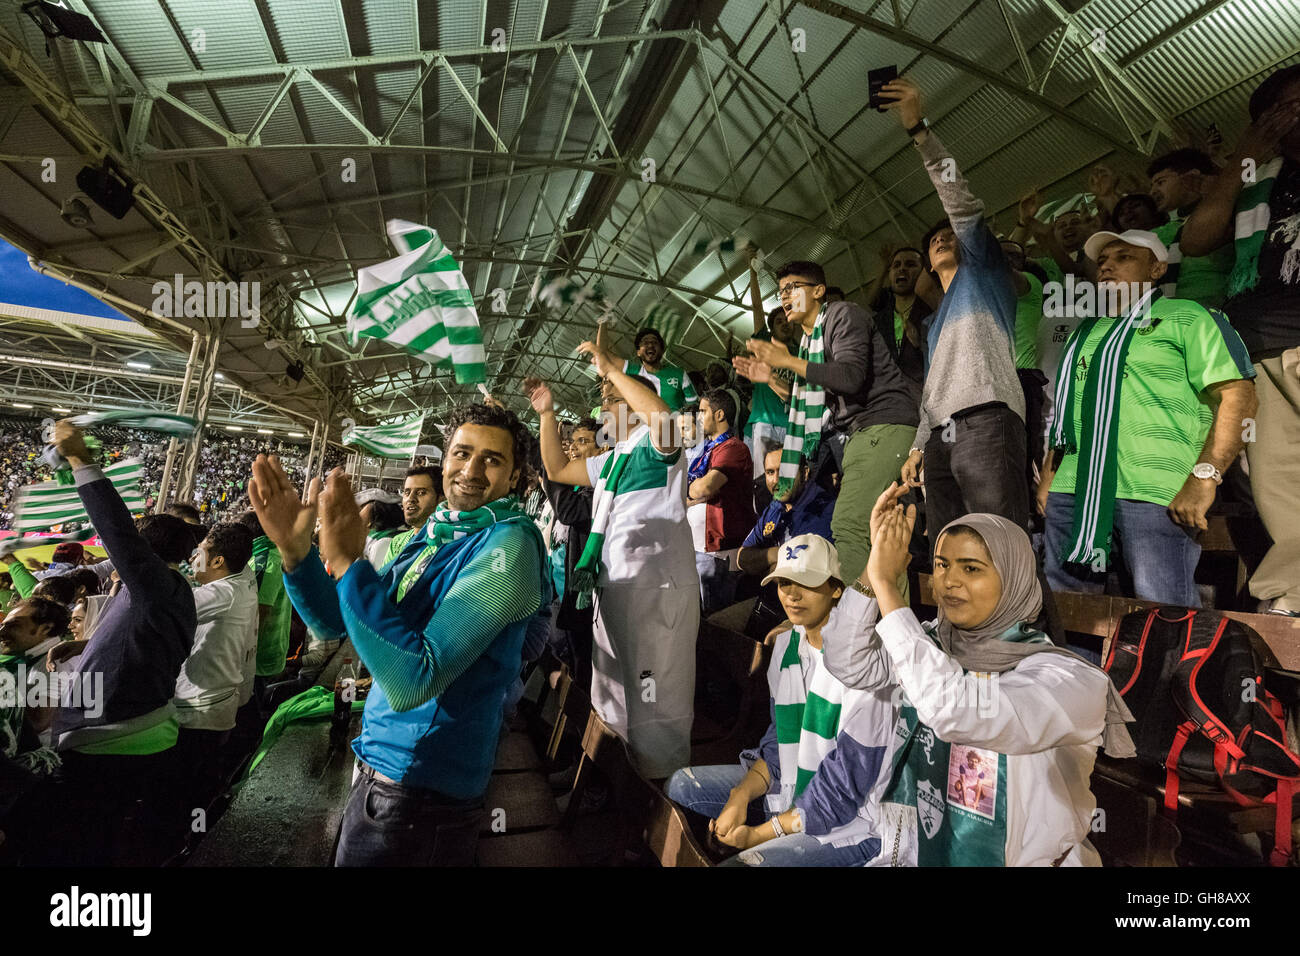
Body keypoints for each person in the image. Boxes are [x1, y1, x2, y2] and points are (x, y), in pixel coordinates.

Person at [250, 403, 548, 867]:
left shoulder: (509, 546)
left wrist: (350, 563)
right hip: (385, 773)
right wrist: (296, 553)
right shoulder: (435, 534)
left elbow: (414, 679)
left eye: (492, 460)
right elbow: (341, 621)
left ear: (515, 479)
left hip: (420, 792)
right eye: (461, 453)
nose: (470, 470)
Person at [822, 484, 1133, 866]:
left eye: (971, 568)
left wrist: (890, 588)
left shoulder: (1066, 679)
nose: (949, 581)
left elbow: (959, 708)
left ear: (1014, 575)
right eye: (941, 565)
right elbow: (847, 661)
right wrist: (874, 570)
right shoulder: (933, 649)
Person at [1038, 230, 1257, 624]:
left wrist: (1205, 477)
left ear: (1157, 268)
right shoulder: (1083, 333)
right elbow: (1068, 415)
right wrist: (1049, 478)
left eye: (1123, 257)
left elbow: (1239, 396)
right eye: (1102, 259)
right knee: (1069, 615)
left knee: (1165, 616)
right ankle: (1071, 685)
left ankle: (1167, 687)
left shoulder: (1190, 316)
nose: (1106, 265)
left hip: (1156, 493)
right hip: (1074, 493)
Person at [527, 323, 699, 781]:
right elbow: (560, 468)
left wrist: (612, 368)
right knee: (616, 697)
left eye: (612, 403)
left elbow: (663, 419)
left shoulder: (661, 443)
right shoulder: (617, 455)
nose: (604, 411)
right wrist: (547, 415)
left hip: (654, 595)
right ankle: (612, 783)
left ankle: (659, 793)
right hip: (615, 590)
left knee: (653, 695)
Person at [24, 420, 198, 866]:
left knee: (85, 846)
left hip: (114, 745)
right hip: (135, 734)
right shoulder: (169, 592)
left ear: (146, 551)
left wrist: (82, 459)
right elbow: (143, 642)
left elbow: (116, 529)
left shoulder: (154, 584)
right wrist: (84, 647)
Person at [665, 534, 895, 866]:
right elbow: (776, 747)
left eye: (807, 582)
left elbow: (840, 795)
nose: (791, 594)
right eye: (783, 582)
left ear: (836, 589)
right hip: (795, 790)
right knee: (681, 788)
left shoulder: (865, 666)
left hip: (855, 822)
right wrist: (739, 796)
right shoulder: (786, 647)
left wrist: (758, 835)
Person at [886, 77, 1030, 538]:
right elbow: (931, 391)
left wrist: (919, 132)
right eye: (933, 241)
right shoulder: (931, 324)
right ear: (928, 260)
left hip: (988, 418)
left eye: (948, 234)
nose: (942, 238)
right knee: (948, 542)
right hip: (940, 437)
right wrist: (918, 446)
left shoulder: (983, 275)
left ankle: (1016, 615)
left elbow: (962, 204)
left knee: (995, 540)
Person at [1181, 64, 1300, 616]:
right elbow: (1198, 238)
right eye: (1280, 109)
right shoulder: (1258, 178)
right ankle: (1292, 599)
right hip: (1258, 346)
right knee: (1278, 485)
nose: (1292, 113)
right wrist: (1243, 156)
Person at [737, 258, 918, 585]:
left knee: (848, 526)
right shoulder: (809, 343)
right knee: (884, 536)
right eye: (780, 292)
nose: (785, 297)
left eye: (792, 288)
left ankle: (843, 625)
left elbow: (849, 377)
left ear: (819, 290)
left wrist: (788, 362)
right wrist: (775, 378)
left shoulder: (843, 315)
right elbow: (816, 402)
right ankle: (891, 621)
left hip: (883, 423)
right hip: (861, 433)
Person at [170, 521, 259, 818]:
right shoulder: (243, 578)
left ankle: (184, 844)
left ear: (219, 561)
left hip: (201, 712)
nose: (194, 559)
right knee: (199, 788)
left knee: (185, 793)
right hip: (218, 705)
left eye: (200, 553)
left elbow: (162, 607)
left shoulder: (221, 593)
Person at [543, 417, 600, 691]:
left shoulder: (598, 490)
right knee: (558, 647)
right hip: (560, 588)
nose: (574, 448)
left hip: (581, 594)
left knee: (583, 663)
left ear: (601, 450)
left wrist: (552, 465)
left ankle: (585, 725)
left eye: (583, 441)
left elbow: (568, 511)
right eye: (572, 441)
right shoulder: (577, 486)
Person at [688, 389, 754, 614]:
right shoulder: (707, 450)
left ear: (720, 415)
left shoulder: (734, 448)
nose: (698, 417)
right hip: (699, 548)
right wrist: (694, 493)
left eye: (703, 411)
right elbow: (693, 493)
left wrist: (696, 491)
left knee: (714, 619)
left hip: (719, 552)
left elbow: (705, 487)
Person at [1148, 149, 1234, 309]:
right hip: (1170, 322)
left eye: (1161, 182)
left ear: (1191, 176)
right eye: (1151, 186)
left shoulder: (1231, 212)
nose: (1152, 192)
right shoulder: (1158, 234)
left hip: (1226, 314)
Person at [738, 441, 836, 577]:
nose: (776, 479)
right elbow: (742, 557)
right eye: (770, 472)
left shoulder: (824, 510)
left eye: (785, 471)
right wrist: (777, 553)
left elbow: (804, 574)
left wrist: (764, 566)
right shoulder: (775, 507)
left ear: (805, 473)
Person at [742, 256, 798, 479]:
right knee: (763, 477)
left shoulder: (801, 354)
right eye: (778, 322)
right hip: (765, 423)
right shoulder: (763, 346)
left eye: (788, 320)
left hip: (792, 424)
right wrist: (753, 271)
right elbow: (757, 308)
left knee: (790, 477)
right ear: (771, 328)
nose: (785, 324)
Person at [239, 510, 292, 698]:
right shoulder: (271, 554)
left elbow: (258, 614)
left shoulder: (265, 561)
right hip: (267, 654)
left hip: (257, 659)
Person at [869, 246, 930, 388]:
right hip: (892, 401)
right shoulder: (877, 323)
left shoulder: (933, 311)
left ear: (923, 271)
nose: (902, 269)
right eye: (896, 265)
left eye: (910, 264)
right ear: (889, 274)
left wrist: (921, 345)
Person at [621, 326, 699, 412]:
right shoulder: (629, 372)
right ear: (638, 352)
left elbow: (693, 404)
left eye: (655, 342)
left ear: (662, 350)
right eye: (645, 343)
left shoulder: (679, 374)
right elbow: (604, 359)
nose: (650, 345)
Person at [382, 465, 442, 564]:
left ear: (441, 499)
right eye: (407, 492)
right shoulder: (397, 542)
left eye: (421, 492)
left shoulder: (445, 542)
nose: (410, 499)